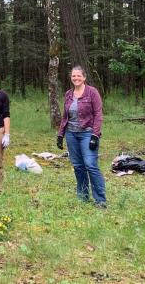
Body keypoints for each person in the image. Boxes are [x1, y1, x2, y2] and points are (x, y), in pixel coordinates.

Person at [56, 65, 107, 208]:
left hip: (87, 134)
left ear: (84, 77)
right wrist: (60, 134)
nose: (76, 78)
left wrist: (95, 135)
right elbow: (65, 116)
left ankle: (100, 200)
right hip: (71, 134)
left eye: (79, 75)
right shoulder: (68, 94)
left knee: (90, 165)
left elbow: (98, 114)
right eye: (73, 76)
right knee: (78, 166)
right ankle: (83, 196)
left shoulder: (92, 92)